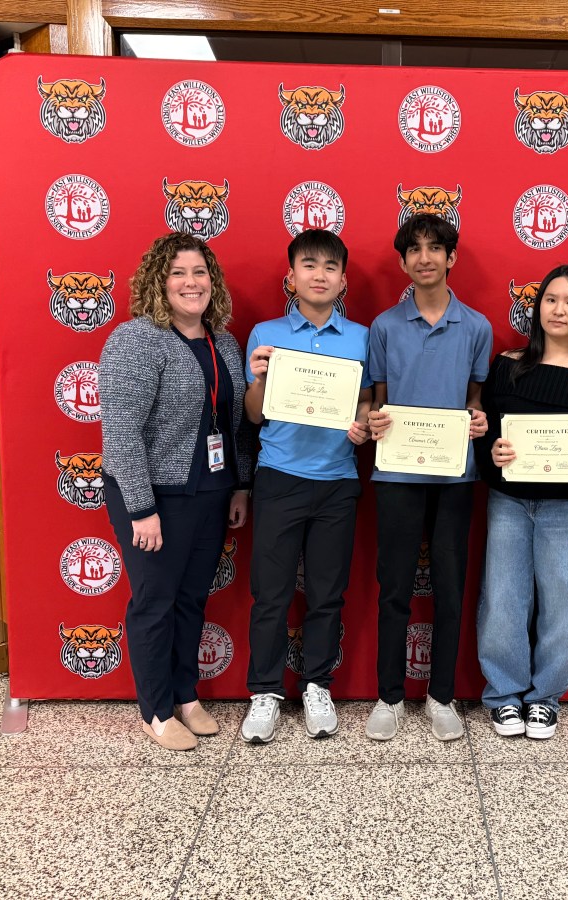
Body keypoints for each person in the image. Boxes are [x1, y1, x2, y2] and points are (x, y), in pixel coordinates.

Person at [98, 232, 253, 752]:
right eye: (179, 273)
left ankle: (186, 694)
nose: (192, 283)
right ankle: (157, 709)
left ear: (214, 283)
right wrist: (141, 509)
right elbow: (119, 430)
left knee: (191, 600)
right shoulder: (136, 340)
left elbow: (233, 428)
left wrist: (240, 486)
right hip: (152, 497)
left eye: (200, 273)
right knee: (155, 602)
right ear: (158, 283)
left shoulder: (224, 342)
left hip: (209, 492)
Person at [475, 265, 568, 739]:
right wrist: (492, 450)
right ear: (537, 307)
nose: (559, 310)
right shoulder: (508, 362)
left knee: (563, 603)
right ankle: (503, 694)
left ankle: (544, 698)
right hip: (510, 501)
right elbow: (487, 433)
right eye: (551, 300)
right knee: (502, 599)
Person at [239, 230, 372, 744]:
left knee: (327, 594)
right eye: (309, 265)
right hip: (278, 476)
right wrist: (257, 380)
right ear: (290, 277)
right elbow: (253, 415)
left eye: (330, 267)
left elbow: (364, 403)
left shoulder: (362, 337)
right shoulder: (265, 334)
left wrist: (361, 423)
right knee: (269, 595)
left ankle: (318, 684)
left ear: (343, 280)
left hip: (337, 480)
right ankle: (265, 692)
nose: (320, 275)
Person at [366, 213, 492, 742]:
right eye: (414, 249)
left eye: (434, 248)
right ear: (402, 262)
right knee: (394, 585)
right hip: (396, 472)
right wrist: (374, 420)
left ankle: (442, 696)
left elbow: (475, 401)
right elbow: (377, 399)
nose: (424, 258)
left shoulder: (478, 327)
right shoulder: (384, 326)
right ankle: (388, 697)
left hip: (454, 475)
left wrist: (480, 420)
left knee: (449, 587)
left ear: (451, 257)